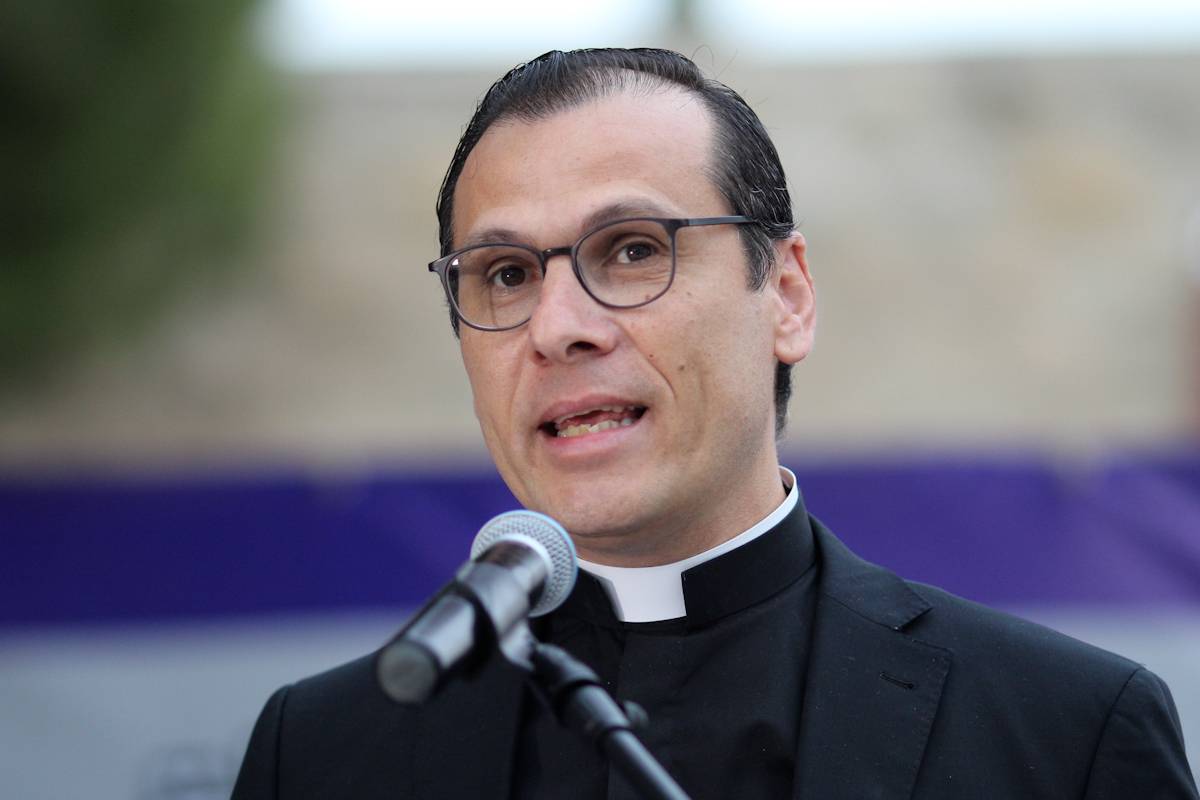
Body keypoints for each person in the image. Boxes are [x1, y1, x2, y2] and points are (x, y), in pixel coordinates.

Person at [232, 48, 1197, 799]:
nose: (557, 328)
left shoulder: (1065, 736)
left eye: (632, 249)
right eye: (507, 274)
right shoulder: (319, 754)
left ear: (787, 297)